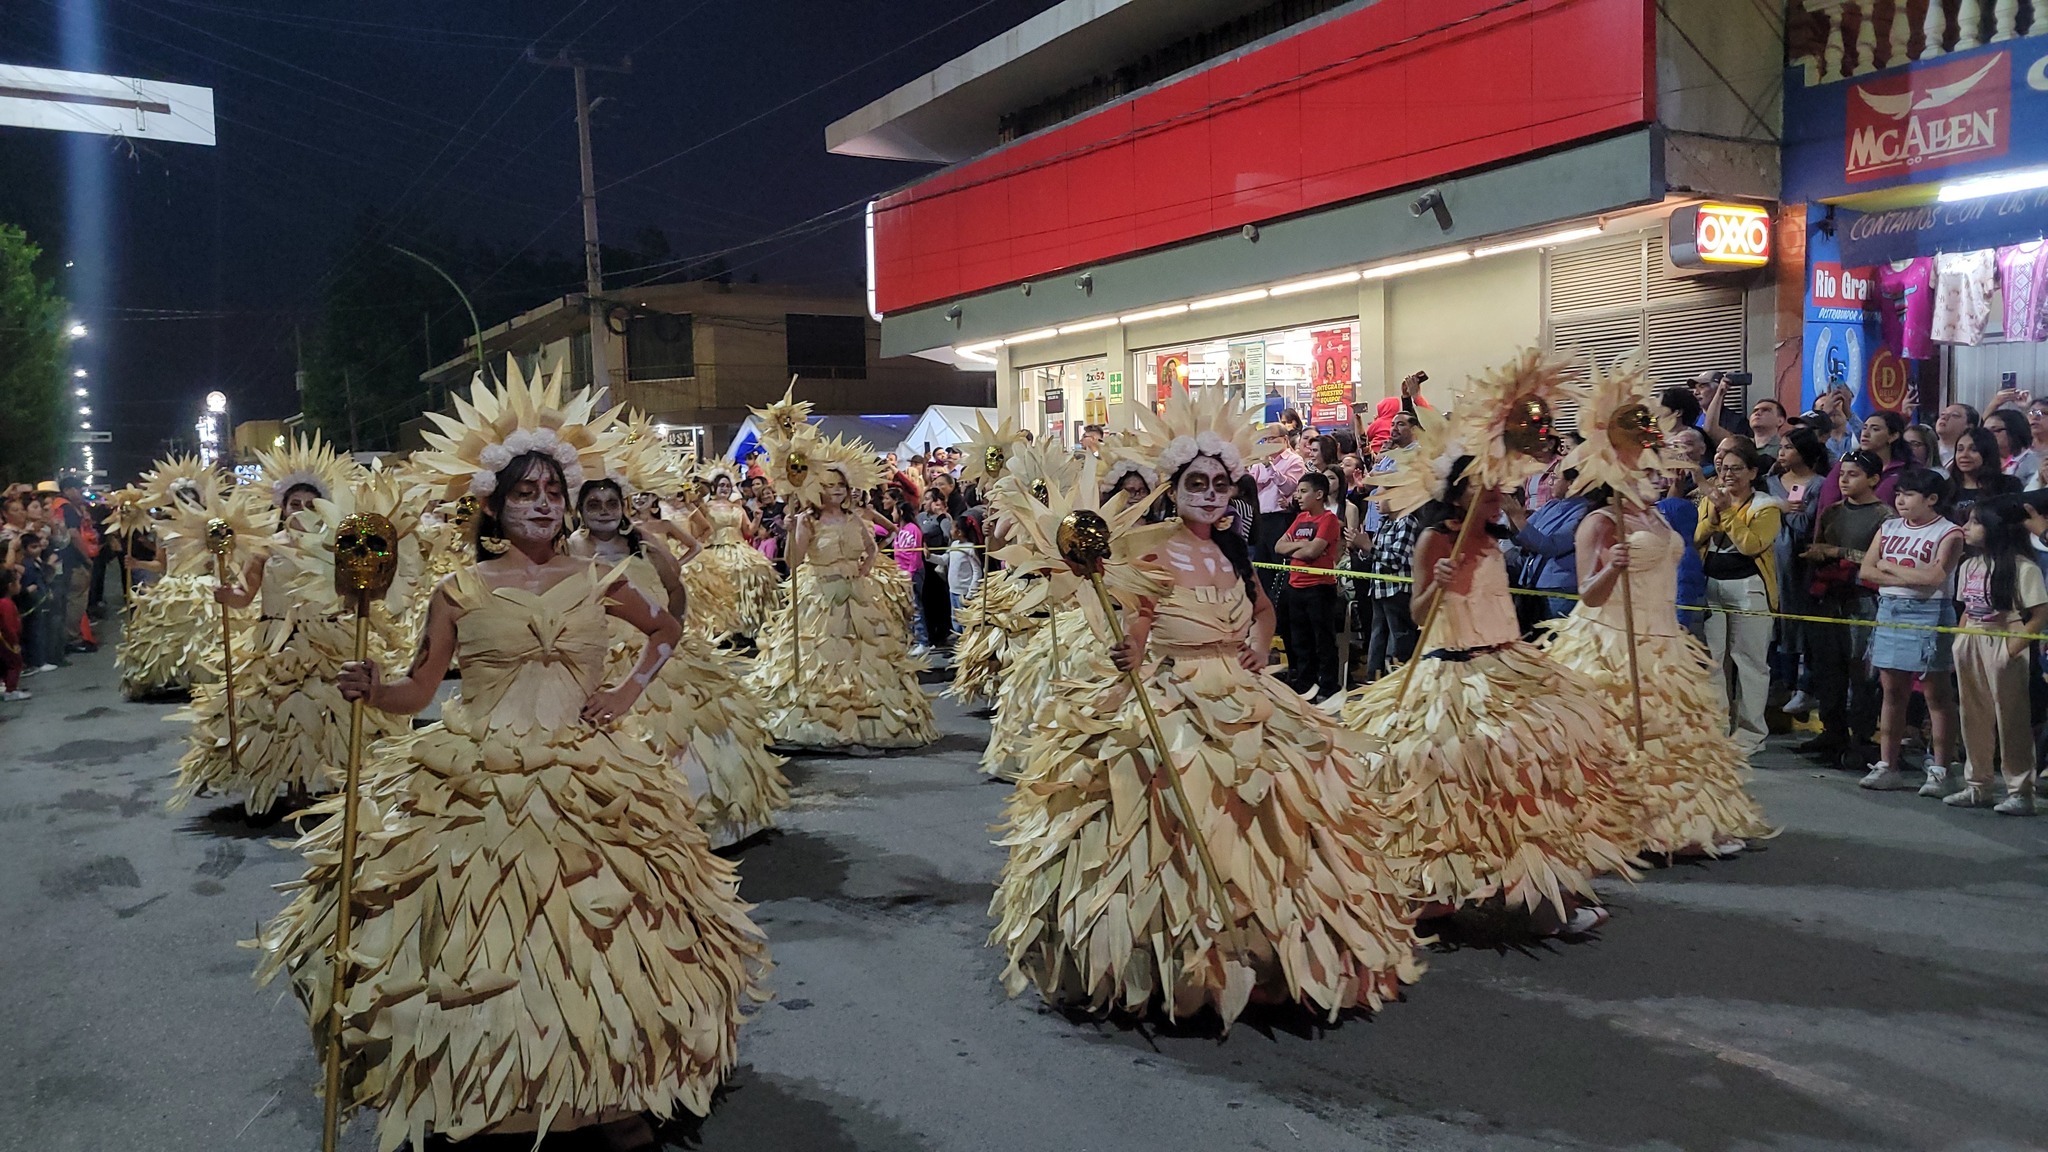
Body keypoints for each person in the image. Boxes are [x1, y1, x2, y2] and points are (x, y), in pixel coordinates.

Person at [258, 367, 768, 1148]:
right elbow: (419, 690)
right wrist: (374, 688)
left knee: (610, 935)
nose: (542, 503)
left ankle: (615, 1091)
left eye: (553, 491)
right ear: (492, 505)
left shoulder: (600, 579)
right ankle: (491, 1093)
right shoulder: (458, 590)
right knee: (482, 934)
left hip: (590, 771)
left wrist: (626, 694)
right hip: (479, 776)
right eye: (525, 492)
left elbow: (666, 632)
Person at [990, 387, 1421, 1026]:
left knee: (1280, 795)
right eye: (1198, 483)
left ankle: (1273, 943)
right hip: (1174, 691)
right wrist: (1131, 651)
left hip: (1242, 691)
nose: (1212, 494)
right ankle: (1175, 952)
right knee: (1167, 798)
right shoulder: (1151, 545)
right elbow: (1138, 615)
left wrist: (1257, 646)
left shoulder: (1231, 549)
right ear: (1175, 486)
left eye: (1221, 484)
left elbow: (1264, 609)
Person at [1344, 357, 1639, 936]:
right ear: (1459, 492)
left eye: (1498, 488)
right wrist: (1437, 584)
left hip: (1508, 665)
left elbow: (1527, 563)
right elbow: (1419, 615)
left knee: (1534, 768)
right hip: (1456, 678)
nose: (1496, 496)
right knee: (1456, 778)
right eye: (1486, 489)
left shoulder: (1494, 536)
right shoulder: (1436, 538)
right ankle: (1442, 888)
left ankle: (1536, 889)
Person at [1542, 410, 1773, 858]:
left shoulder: (1658, 516)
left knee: (1676, 737)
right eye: (1642, 468)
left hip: (1665, 640)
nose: (1653, 474)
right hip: (1613, 642)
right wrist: (1613, 566)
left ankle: (1681, 823)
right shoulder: (1599, 522)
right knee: (1624, 736)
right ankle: (1630, 827)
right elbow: (1588, 594)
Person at [169, 437, 414, 813]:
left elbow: (352, 594)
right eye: (294, 503)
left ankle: (340, 777)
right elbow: (245, 594)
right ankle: (295, 784)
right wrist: (227, 595)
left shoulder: (335, 546)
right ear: (281, 507)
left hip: (329, 637)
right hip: (276, 640)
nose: (301, 510)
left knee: (335, 711)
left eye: (309, 504)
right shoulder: (265, 548)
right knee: (280, 713)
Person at [567, 475, 789, 846]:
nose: (604, 512)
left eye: (611, 504)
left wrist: (674, 630)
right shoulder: (571, 547)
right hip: (601, 651)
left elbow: (675, 589)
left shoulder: (643, 542)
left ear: (622, 507)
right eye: (594, 505)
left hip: (657, 649)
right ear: (580, 510)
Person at [747, 430, 937, 753]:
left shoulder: (853, 518)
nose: (836, 490)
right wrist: (793, 532)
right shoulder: (808, 520)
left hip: (857, 596)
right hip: (819, 597)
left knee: (867, 656)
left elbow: (871, 548)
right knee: (821, 655)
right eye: (830, 485)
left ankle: (867, 720)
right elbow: (794, 562)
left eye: (841, 485)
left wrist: (862, 571)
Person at [1857, 469, 1965, 794]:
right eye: (1898, 494)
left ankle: (1941, 769)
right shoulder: (1889, 527)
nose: (1900, 500)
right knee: (1892, 691)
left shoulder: (1949, 532)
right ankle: (1887, 765)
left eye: (1908, 494)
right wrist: (1905, 574)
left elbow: (1934, 579)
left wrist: (1889, 566)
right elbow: (1867, 570)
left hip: (1930, 611)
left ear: (1931, 499)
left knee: (1936, 693)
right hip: (1890, 608)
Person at [1946, 498, 2045, 814]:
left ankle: (2020, 790)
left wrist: (2012, 648)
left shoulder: (2023, 567)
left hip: (2005, 639)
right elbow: (1966, 608)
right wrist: (1960, 641)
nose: (1966, 527)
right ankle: (1978, 785)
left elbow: (2040, 615)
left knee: (2011, 718)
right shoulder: (1969, 565)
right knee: (1972, 715)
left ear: (1995, 528)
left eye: (1975, 522)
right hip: (1972, 640)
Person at [1797, 450, 1890, 767]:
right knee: (1828, 668)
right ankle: (1832, 731)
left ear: (1873, 479)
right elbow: (1821, 546)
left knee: (1861, 671)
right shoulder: (1833, 511)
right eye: (1842, 474)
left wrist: (1838, 552)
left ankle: (1861, 737)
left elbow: (1882, 560)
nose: (1845, 480)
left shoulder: (1885, 517)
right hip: (1829, 594)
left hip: (1863, 598)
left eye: (1854, 474)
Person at [1697, 438, 1784, 756]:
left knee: (1749, 662)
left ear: (1752, 473)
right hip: (1712, 586)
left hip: (1749, 589)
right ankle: (1717, 730)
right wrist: (1713, 517)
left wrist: (1727, 513)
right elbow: (1697, 537)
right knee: (1712, 660)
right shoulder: (1710, 500)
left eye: (1736, 469)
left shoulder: (1766, 507)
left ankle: (1751, 734)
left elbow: (1751, 545)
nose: (1728, 474)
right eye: (1724, 468)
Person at [114, 457, 228, 698]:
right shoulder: (163, 529)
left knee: (205, 635)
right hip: (172, 588)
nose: (186, 504)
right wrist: (137, 563)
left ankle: (205, 678)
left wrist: (216, 564)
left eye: (190, 499)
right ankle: (171, 678)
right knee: (168, 636)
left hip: (205, 587)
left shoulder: (211, 525)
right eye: (180, 499)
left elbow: (227, 558)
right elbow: (161, 564)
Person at [1769, 427, 1830, 717]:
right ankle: (1781, 683)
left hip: (1798, 561)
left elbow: (1804, 523)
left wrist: (1781, 510)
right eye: (1781, 447)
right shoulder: (1770, 481)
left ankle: (1802, 687)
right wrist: (1781, 507)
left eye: (1788, 447)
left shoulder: (1818, 484)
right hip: (1769, 556)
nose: (1782, 453)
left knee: (1797, 619)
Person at [687, 465, 778, 644]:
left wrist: (757, 518)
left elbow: (749, 531)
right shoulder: (705, 508)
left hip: (739, 548)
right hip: (716, 548)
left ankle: (748, 626)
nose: (725, 488)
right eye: (722, 485)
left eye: (728, 486)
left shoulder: (738, 508)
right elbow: (699, 530)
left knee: (758, 569)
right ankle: (721, 627)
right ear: (714, 487)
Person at [1274, 470, 1343, 701]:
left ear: (1319, 494)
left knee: (1323, 640)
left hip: (1319, 587)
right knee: (1300, 641)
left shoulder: (1328, 520)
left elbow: (1313, 551)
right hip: (1296, 586)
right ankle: (1305, 685)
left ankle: (1328, 686)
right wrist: (1303, 546)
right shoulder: (1300, 518)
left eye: (1303, 491)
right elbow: (1278, 547)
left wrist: (1298, 547)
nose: (1298, 496)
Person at [1944, 426, 2021, 526]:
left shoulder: (2008, 485)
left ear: (1988, 453)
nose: (1964, 455)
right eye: (1960, 449)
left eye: (1974, 449)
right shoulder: (1945, 488)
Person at [1987, 406, 2037, 482]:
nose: (1987, 435)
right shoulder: (1986, 462)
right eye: (1985, 431)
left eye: (1995, 430)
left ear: (2014, 431)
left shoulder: (2034, 462)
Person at [0, 565, 25, 701]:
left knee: (6, 664)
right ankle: (11, 690)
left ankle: (6, 686)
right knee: (15, 663)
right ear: (10, 586)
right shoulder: (6, 604)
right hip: (6, 640)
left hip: (4, 639)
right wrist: (14, 642)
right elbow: (8, 626)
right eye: (18, 582)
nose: (20, 585)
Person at [1935, 401, 1981, 467]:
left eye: (1954, 415)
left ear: (1969, 426)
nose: (1944, 417)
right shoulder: (1927, 448)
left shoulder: (1970, 456)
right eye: (1942, 414)